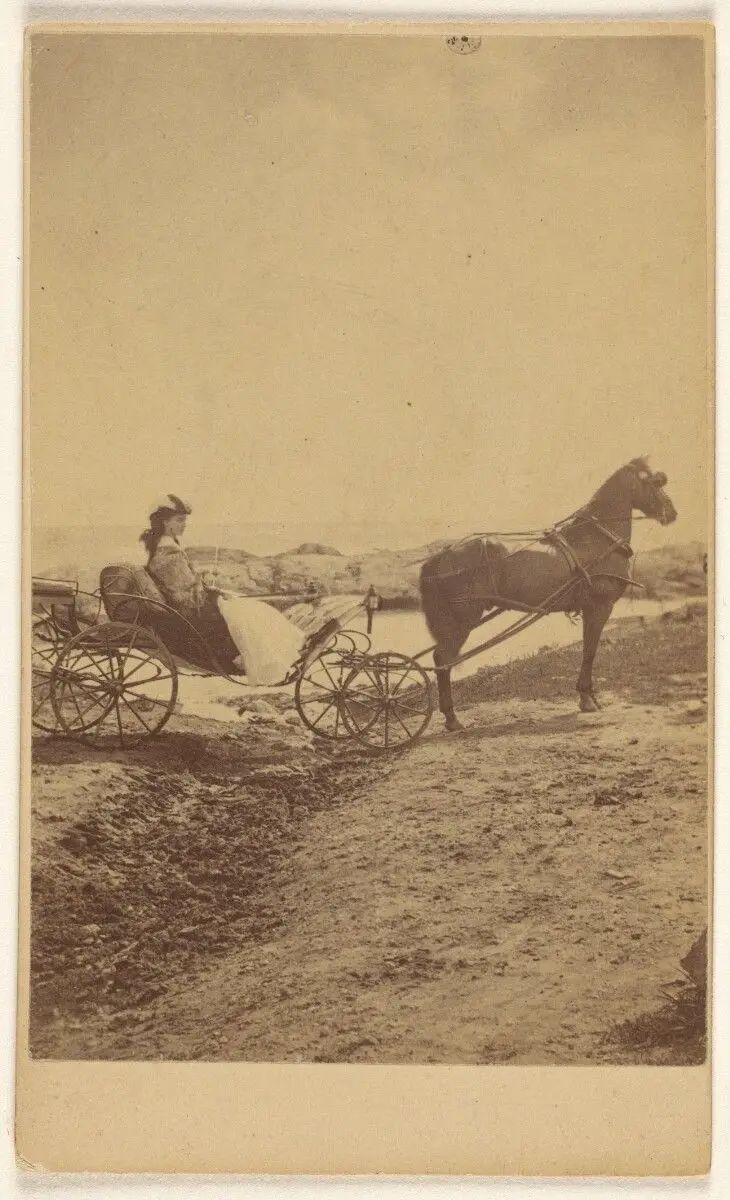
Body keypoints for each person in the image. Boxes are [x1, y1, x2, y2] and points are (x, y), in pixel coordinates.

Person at [141, 495, 305, 685]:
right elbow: (186, 595)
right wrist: (213, 594)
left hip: (190, 606)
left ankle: (259, 659)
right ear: (165, 522)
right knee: (250, 613)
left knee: (247, 607)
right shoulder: (168, 553)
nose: (184, 525)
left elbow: (185, 584)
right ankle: (254, 661)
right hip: (191, 613)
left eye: (184, 520)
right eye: (179, 520)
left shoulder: (164, 546)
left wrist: (209, 588)